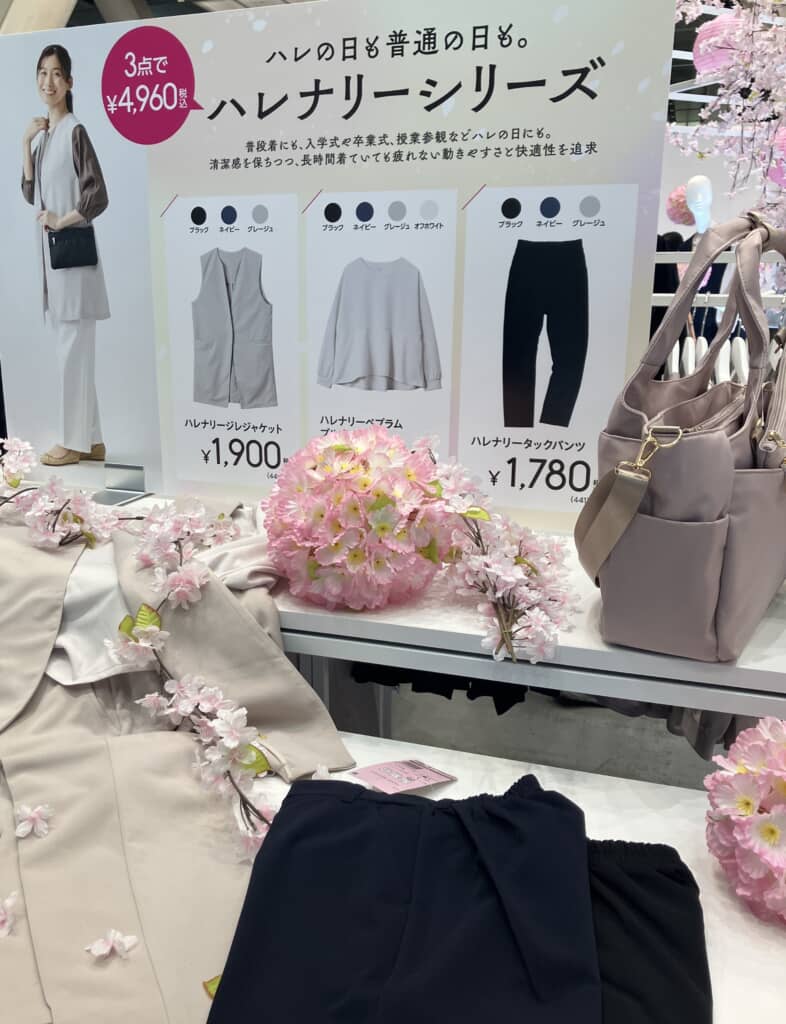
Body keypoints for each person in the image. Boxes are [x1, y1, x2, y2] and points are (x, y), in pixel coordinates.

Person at [22, 44, 110, 467]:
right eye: (42, 73)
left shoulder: (75, 131)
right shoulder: (45, 138)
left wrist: (63, 220)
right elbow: (30, 194)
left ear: (69, 82)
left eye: (57, 73)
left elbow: (98, 195)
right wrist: (25, 142)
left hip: (73, 263)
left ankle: (71, 443)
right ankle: (92, 441)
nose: (48, 81)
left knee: (71, 355)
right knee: (73, 353)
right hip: (55, 265)